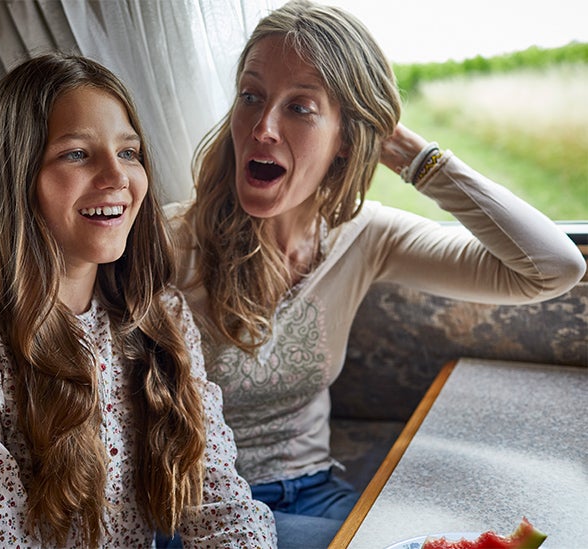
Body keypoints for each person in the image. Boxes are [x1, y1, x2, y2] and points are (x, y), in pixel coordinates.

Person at [165, 1, 587, 547]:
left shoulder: (366, 235)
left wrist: (412, 154)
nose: (263, 127)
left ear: (346, 139)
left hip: (317, 491)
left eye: (301, 107)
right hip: (198, 509)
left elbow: (552, 269)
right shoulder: (169, 242)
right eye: (252, 97)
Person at [0, 52, 276, 548]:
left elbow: (221, 506)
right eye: (77, 153)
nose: (116, 178)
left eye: (129, 153)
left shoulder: (160, 318)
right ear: (19, 177)